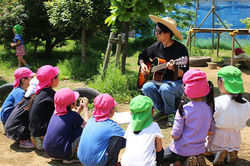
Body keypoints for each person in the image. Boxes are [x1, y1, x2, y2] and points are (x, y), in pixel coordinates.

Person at [139, 15, 189, 126]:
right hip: (159, 82)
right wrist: (143, 65)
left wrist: (174, 68)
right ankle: (162, 111)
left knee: (165, 88)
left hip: (177, 83)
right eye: (155, 31)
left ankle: (171, 113)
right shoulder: (156, 47)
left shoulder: (181, 50)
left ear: (168, 33)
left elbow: (185, 74)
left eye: (159, 31)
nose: (156, 34)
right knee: (146, 87)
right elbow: (142, 55)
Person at [163, 69, 214, 166]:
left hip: (181, 148)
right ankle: (193, 157)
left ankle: (180, 162)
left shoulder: (183, 109)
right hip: (199, 149)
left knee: (161, 159)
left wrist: (172, 134)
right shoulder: (209, 109)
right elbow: (211, 131)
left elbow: (175, 135)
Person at [206, 66, 250, 165]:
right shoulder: (246, 103)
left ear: (221, 82)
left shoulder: (218, 102)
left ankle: (218, 152)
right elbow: (246, 117)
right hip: (235, 136)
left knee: (206, 149)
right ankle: (231, 152)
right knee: (230, 146)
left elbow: (211, 117)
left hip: (219, 135)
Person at [43, 88, 90, 164]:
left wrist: (80, 109)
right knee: (84, 128)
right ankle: (70, 157)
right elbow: (87, 124)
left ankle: (59, 155)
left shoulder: (55, 113)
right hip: (63, 152)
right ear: (71, 104)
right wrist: (85, 108)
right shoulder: (72, 116)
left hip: (48, 151)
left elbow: (71, 118)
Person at [77, 94, 126, 166]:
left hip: (82, 159)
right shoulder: (112, 126)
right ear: (111, 111)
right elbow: (127, 139)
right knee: (118, 139)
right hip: (97, 163)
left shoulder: (91, 120)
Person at [121, 95, 164, 166]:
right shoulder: (154, 126)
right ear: (153, 112)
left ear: (131, 113)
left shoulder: (130, 126)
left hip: (125, 163)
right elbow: (159, 149)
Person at [29, 65, 59, 150]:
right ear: (53, 80)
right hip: (42, 135)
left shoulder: (39, 92)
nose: (58, 79)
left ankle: (39, 138)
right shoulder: (50, 95)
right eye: (57, 77)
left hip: (34, 132)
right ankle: (44, 140)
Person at [4, 77, 38, 149]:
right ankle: (24, 140)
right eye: (30, 77)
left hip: (10, 126)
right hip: (14, 127)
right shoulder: (21, 93)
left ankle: (19, 137)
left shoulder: (26, 97)